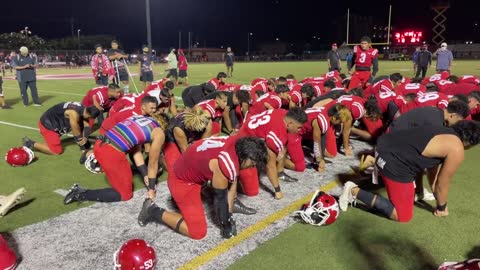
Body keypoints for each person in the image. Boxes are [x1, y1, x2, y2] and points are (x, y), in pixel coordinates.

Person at [339, 120, 480, 222]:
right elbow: (443, 183)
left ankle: (373, 170)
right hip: (392, 162)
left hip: (382, 147)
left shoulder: (442, 129)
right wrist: (442, 207)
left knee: (406, 189)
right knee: (402, 216)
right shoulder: (457, 149)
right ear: (470, 142)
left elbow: (432, 169)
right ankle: (353, 190)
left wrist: (434, 191)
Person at [137, 136, 268, 240]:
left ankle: (223, 201)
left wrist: (230, 206)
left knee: (226, 181)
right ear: (246, 155)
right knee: (197, 232)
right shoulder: (225, 164)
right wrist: (226, 224)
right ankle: (152, 209)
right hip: (182, 182)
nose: (253, 166)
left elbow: (233, 177)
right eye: (253, 163)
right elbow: (220, 199)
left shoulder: (236, 142)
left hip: (192, 166)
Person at [64, 115, 165, 204]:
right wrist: (152, 189)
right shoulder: (159, 132)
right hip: (111, 153)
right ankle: (81, 193)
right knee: (125, 194)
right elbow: (153, 163)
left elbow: (135, 151)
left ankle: (90, 153)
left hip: (100, 143)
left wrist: (145, 175)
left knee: (122, 151)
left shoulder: (140, 118)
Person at [22, 102, 100, 156]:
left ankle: (82, 144)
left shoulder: (83, 109)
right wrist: (82, 146)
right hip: (48, 125)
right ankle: (30, 143)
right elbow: (75, 131)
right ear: (88, 114)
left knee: (80, 125)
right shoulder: (74, 113)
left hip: (55, 121)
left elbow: (86, 125)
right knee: (56, 151)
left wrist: (85, 137)